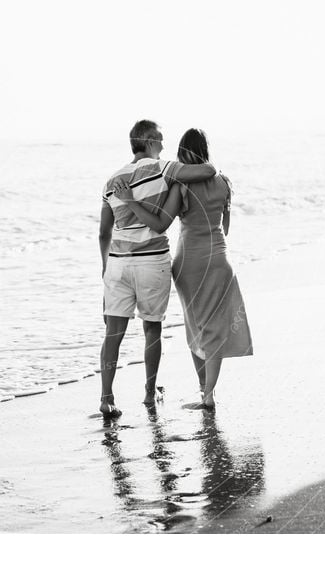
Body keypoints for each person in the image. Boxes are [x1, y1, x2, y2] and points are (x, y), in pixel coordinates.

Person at [114, 128, 253, 408]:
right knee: (215, 327)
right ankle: (209, 393)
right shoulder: (224, 182)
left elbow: (159, 223)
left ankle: (205, 391)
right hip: (219, 260)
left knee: (196, 326)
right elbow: (225, 227)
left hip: (189, 263)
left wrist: (130, 201)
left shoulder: (181, 185)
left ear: (182, 152)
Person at [99, 120, 217, 418]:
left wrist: (105, 268)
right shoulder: (162, 167)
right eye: (161, 140)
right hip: (152, 260)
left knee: (113, 333)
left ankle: (106, 397)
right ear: (150, 140)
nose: (164, 145)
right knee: (152, 329)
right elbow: (208, 171)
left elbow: (103, 232)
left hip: (117, 264)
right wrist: (179, 169)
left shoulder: (112, 179)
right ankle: (150, 393)